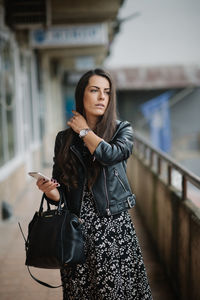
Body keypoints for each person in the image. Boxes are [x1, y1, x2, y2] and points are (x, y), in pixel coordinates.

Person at [36, 68, 153, 300]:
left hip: (113, 230)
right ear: (82, 95)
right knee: (82, 293)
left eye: (107, 92)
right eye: (95, 90)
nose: (102, 97)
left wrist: (84, 131)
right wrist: (51, 192)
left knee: (117, 293)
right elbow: (60, 188)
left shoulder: (122, 130)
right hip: (76, 232)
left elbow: (109, 155)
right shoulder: (63, 138)